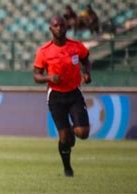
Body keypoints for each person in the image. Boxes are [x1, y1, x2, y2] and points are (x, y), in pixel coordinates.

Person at [33, 15, 92, 177]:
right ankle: (67, 168)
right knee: (65, 138)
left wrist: (86, 72)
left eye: (62, 25)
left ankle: (73, 131)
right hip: (55, 96)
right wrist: (48, 78)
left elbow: (86, 59)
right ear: (51, 29)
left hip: (74, 92)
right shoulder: (44, 51)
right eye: (56, 25)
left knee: (83, 133)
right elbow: (36, 76)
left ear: (67, 27)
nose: (59, 28)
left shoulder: (76, 46)